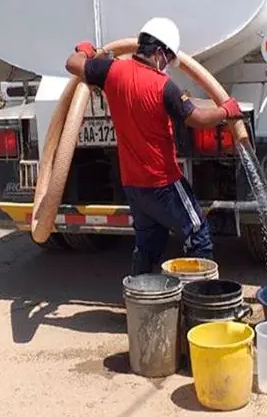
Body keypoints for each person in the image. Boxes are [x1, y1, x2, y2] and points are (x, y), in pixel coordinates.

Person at [65, 17, 244, 276]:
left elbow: (72, 63)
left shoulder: (112, 71)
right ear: (160, 53)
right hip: (163, 182)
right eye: (169, 59)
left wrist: (84, 50)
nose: (168, 65)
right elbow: (197, 119)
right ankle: (200, 301)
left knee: (148, 244)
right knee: (198, 235)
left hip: (133, 185)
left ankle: (143, 300)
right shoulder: (163, 87)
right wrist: (226, 110)